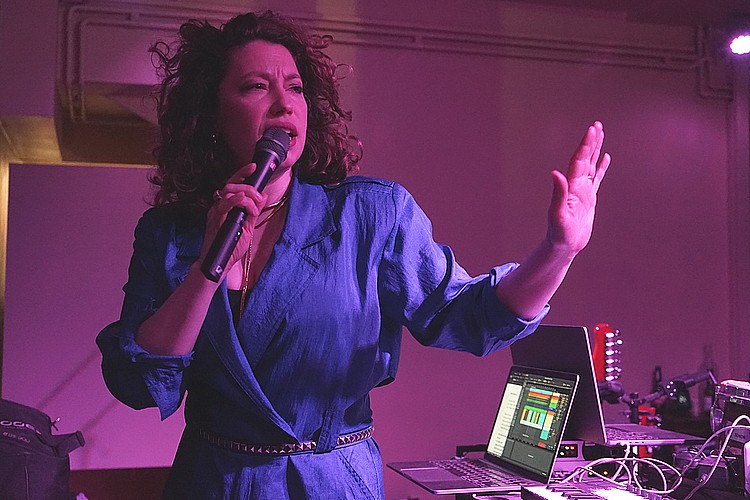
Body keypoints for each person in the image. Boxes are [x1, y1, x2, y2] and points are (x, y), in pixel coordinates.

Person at [96, 9, 610, 500]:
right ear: (211, 114)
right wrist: (206, 269)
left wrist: (559, 250)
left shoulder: (371, 214)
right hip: (212, 483)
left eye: (295, 87)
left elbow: (470, 315)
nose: (284, 104)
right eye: (256, 86)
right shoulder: (167, 234)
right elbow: (138, 382)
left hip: (331, 483)